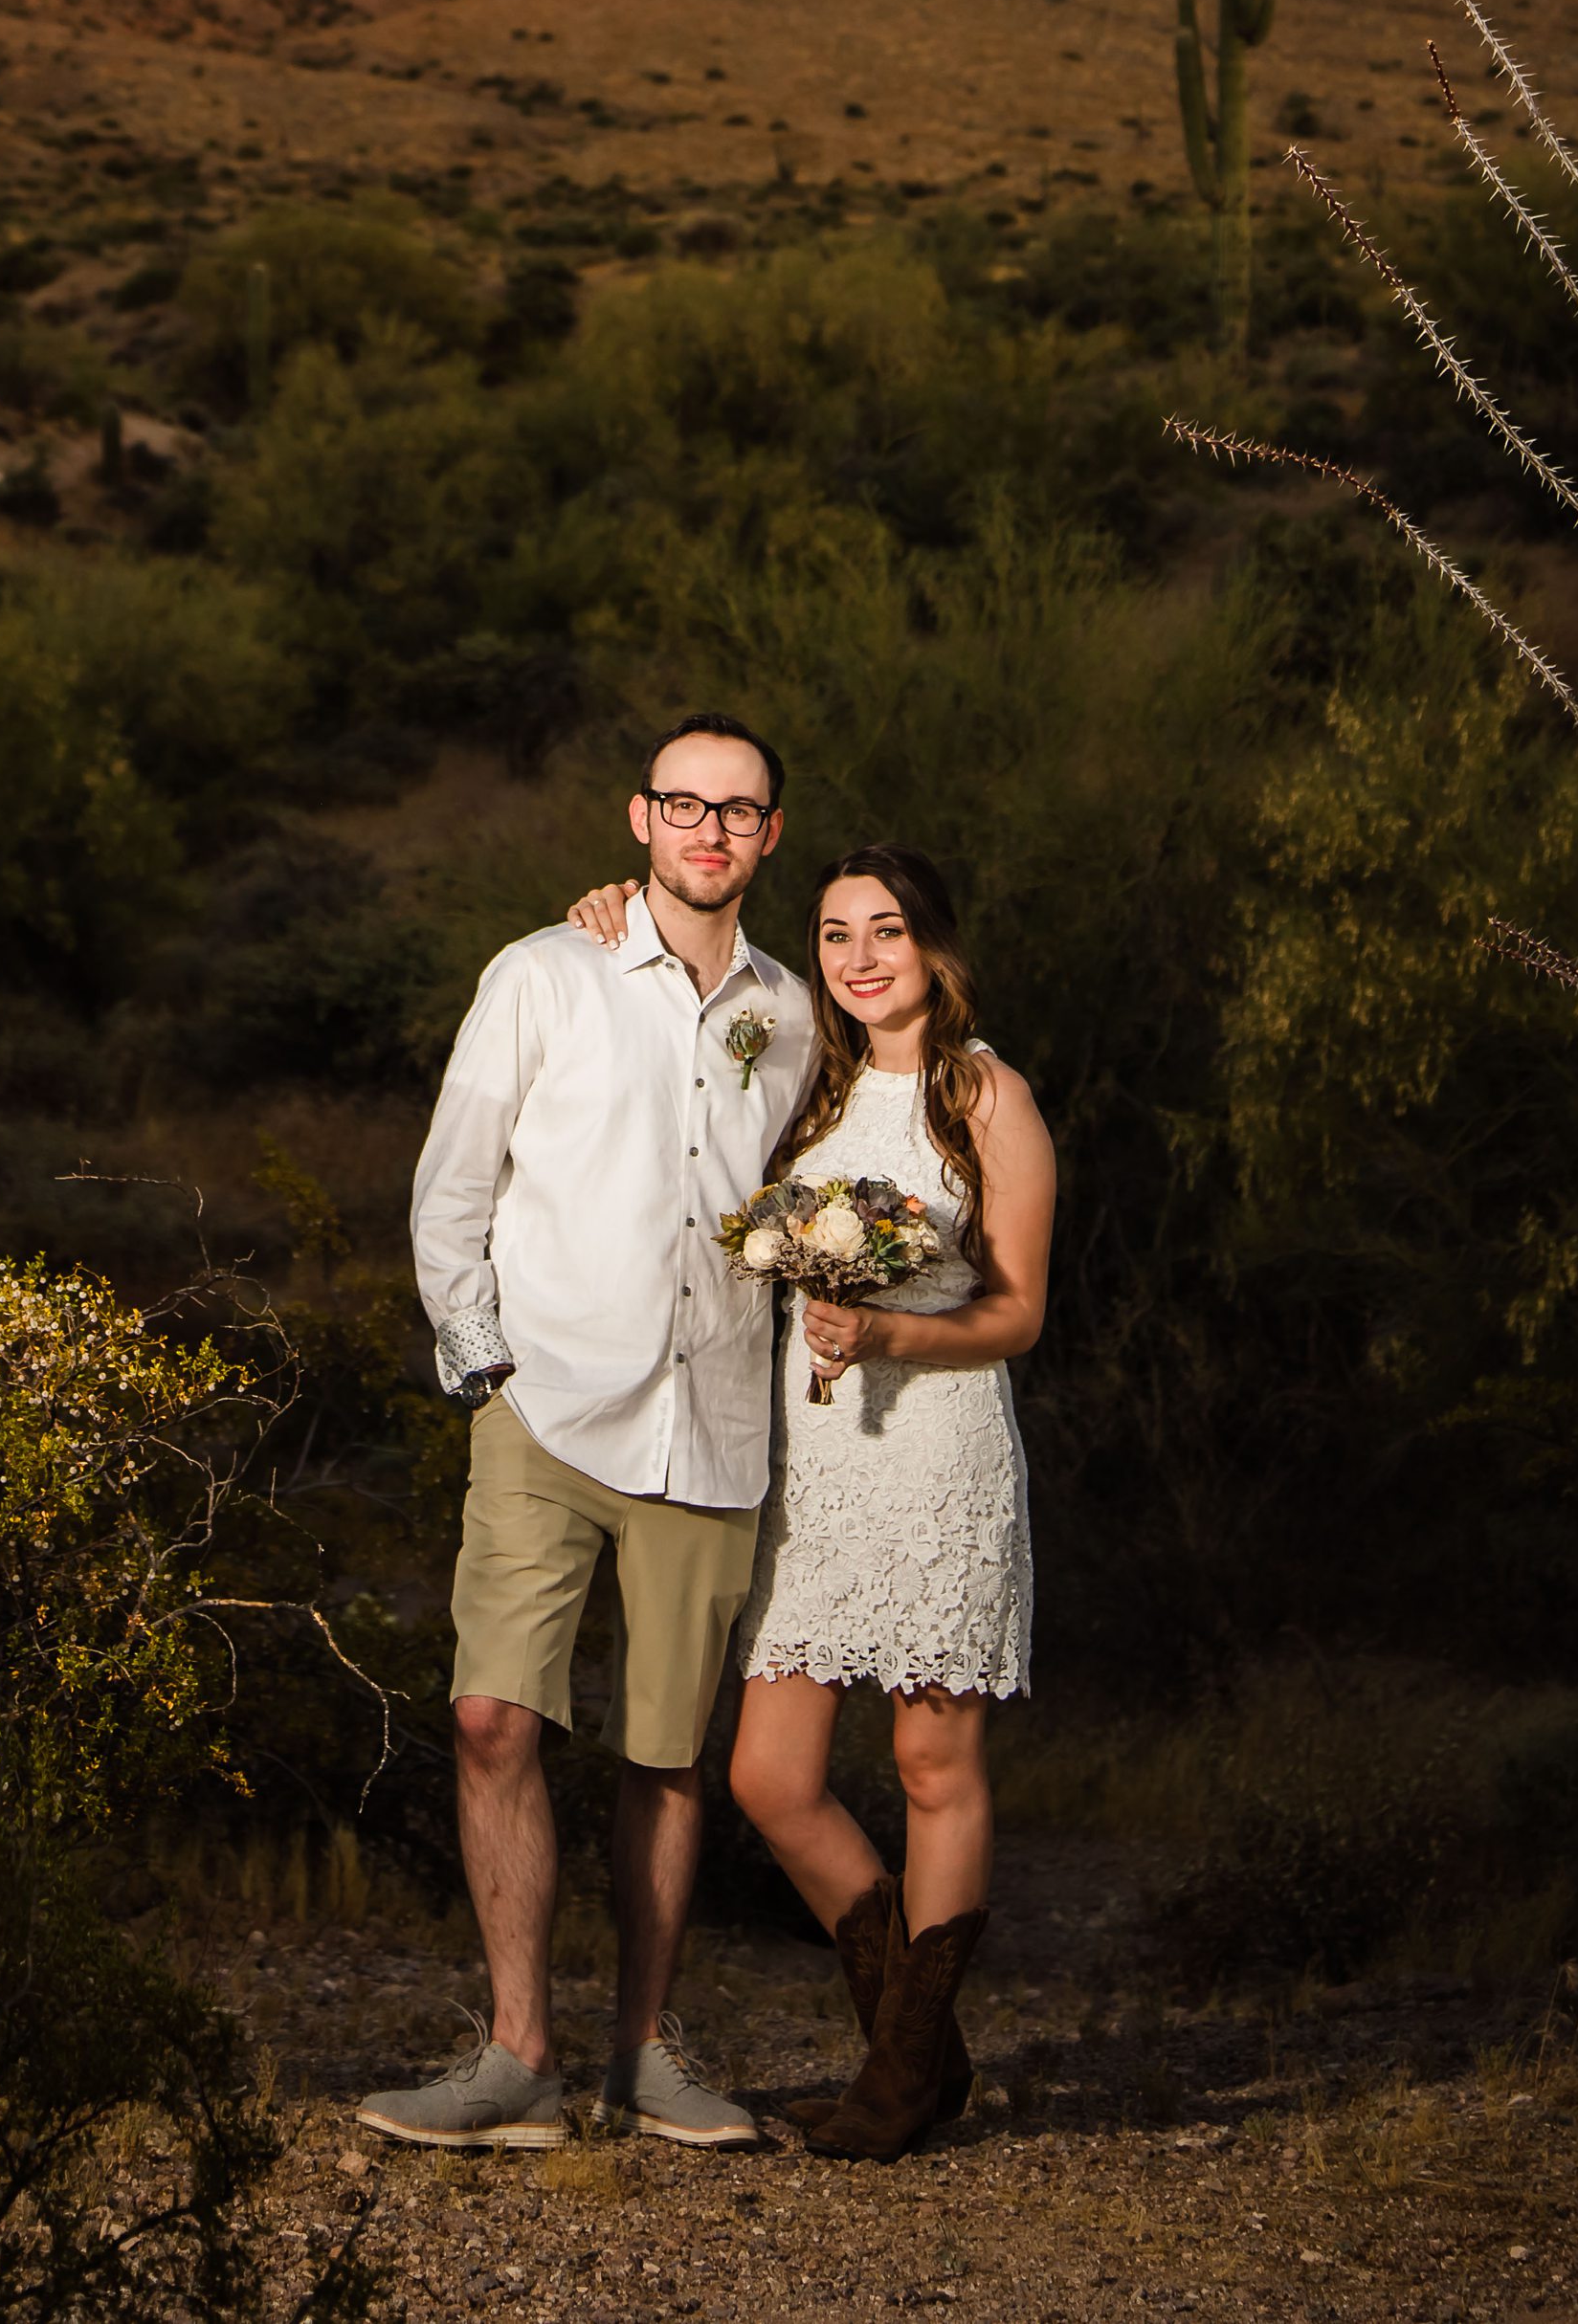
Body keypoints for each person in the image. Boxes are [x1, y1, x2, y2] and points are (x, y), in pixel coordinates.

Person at [357, 719, 812, 2152]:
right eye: (686, 803)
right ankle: (515, 2059)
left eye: (739, 812)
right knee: (493, 1714)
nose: (710, 831)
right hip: (546, 1406)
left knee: (668, 1756)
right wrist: (486, 1366)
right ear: (639, 818)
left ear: (769, 839)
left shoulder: (795, 1015)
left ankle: (643, 2056)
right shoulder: (543, 972)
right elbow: (453, 1183)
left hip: (713, 1418)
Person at [567, 842, 1053, 2161]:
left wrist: (893, 1337)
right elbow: (678, 995)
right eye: (836, 936)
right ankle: (927, 2054)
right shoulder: (802, 1075)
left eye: (886, 931)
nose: (859, 958)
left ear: (933, 946)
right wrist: (613, 914)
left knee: (930, 1761)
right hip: (816, 1464)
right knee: (770, 1777)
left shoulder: (985, 1097)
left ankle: (893, 2087)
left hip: (940, 1450)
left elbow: (1020, 1313)